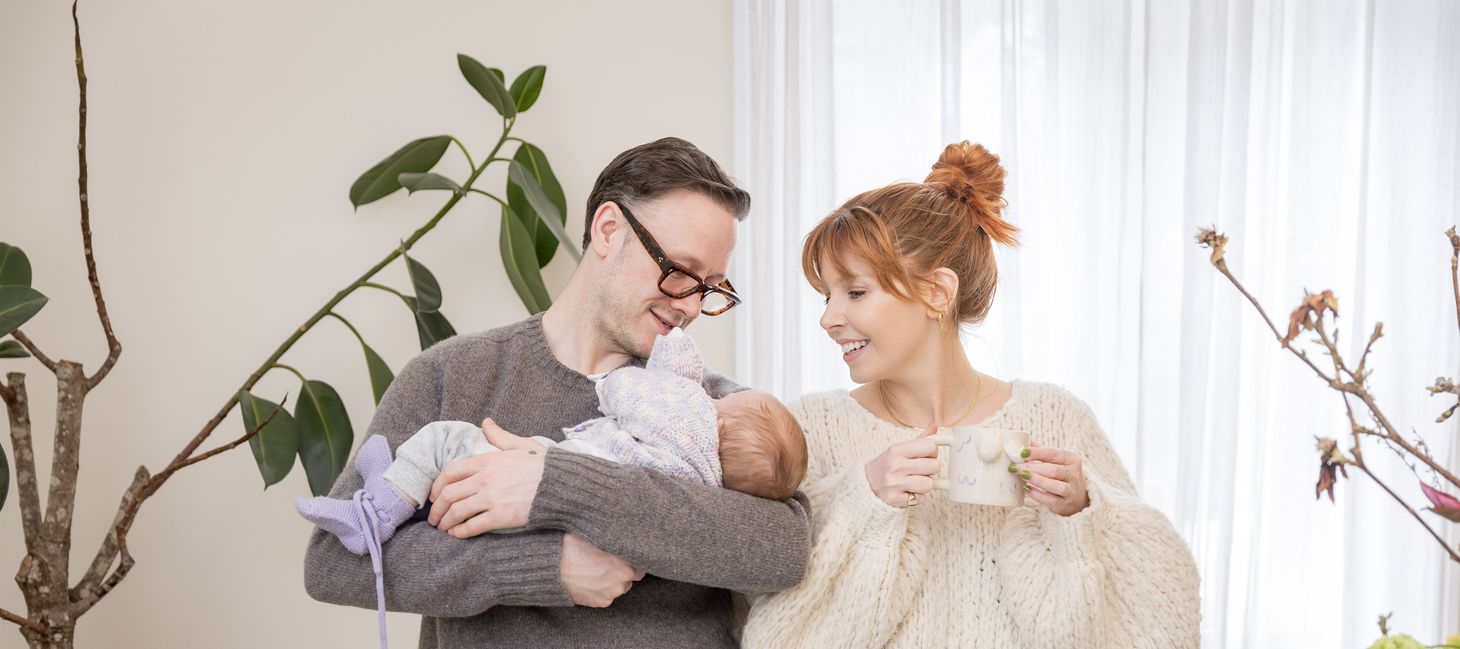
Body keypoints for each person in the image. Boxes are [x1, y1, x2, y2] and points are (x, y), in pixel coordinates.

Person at [302, 137, 811, 649]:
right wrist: (541, 567)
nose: (693, 306)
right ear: (608, 230)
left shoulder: (709, 413)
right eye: (680, 272)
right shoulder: (451, 374)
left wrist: (554, 484)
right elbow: (333, 564)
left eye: (711, 287)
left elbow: (783, 550)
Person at [742, 141, 1200, 648]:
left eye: (854, 292)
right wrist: (862, 499)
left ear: (936, 293)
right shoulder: (810, 429)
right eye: (825, 295)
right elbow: (773, 626)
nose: (828, 318)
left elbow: (1157, 600)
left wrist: (1082, 512)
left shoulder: (1056, 417)